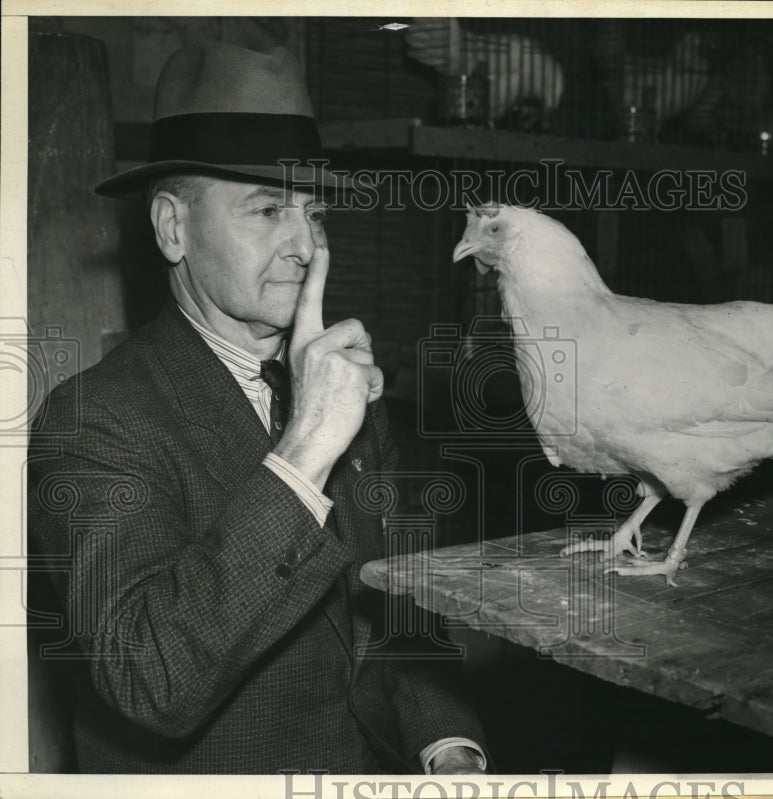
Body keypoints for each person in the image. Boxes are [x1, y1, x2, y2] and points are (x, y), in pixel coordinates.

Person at [28, 42, 487, 775]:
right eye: (269, 209)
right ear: (173, 228)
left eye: (315, 213)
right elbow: (150, 676)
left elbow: (400, 619)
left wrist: (448, 744)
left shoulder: (347, 394)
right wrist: (307, 445)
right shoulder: (93, 420)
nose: (305, 244)